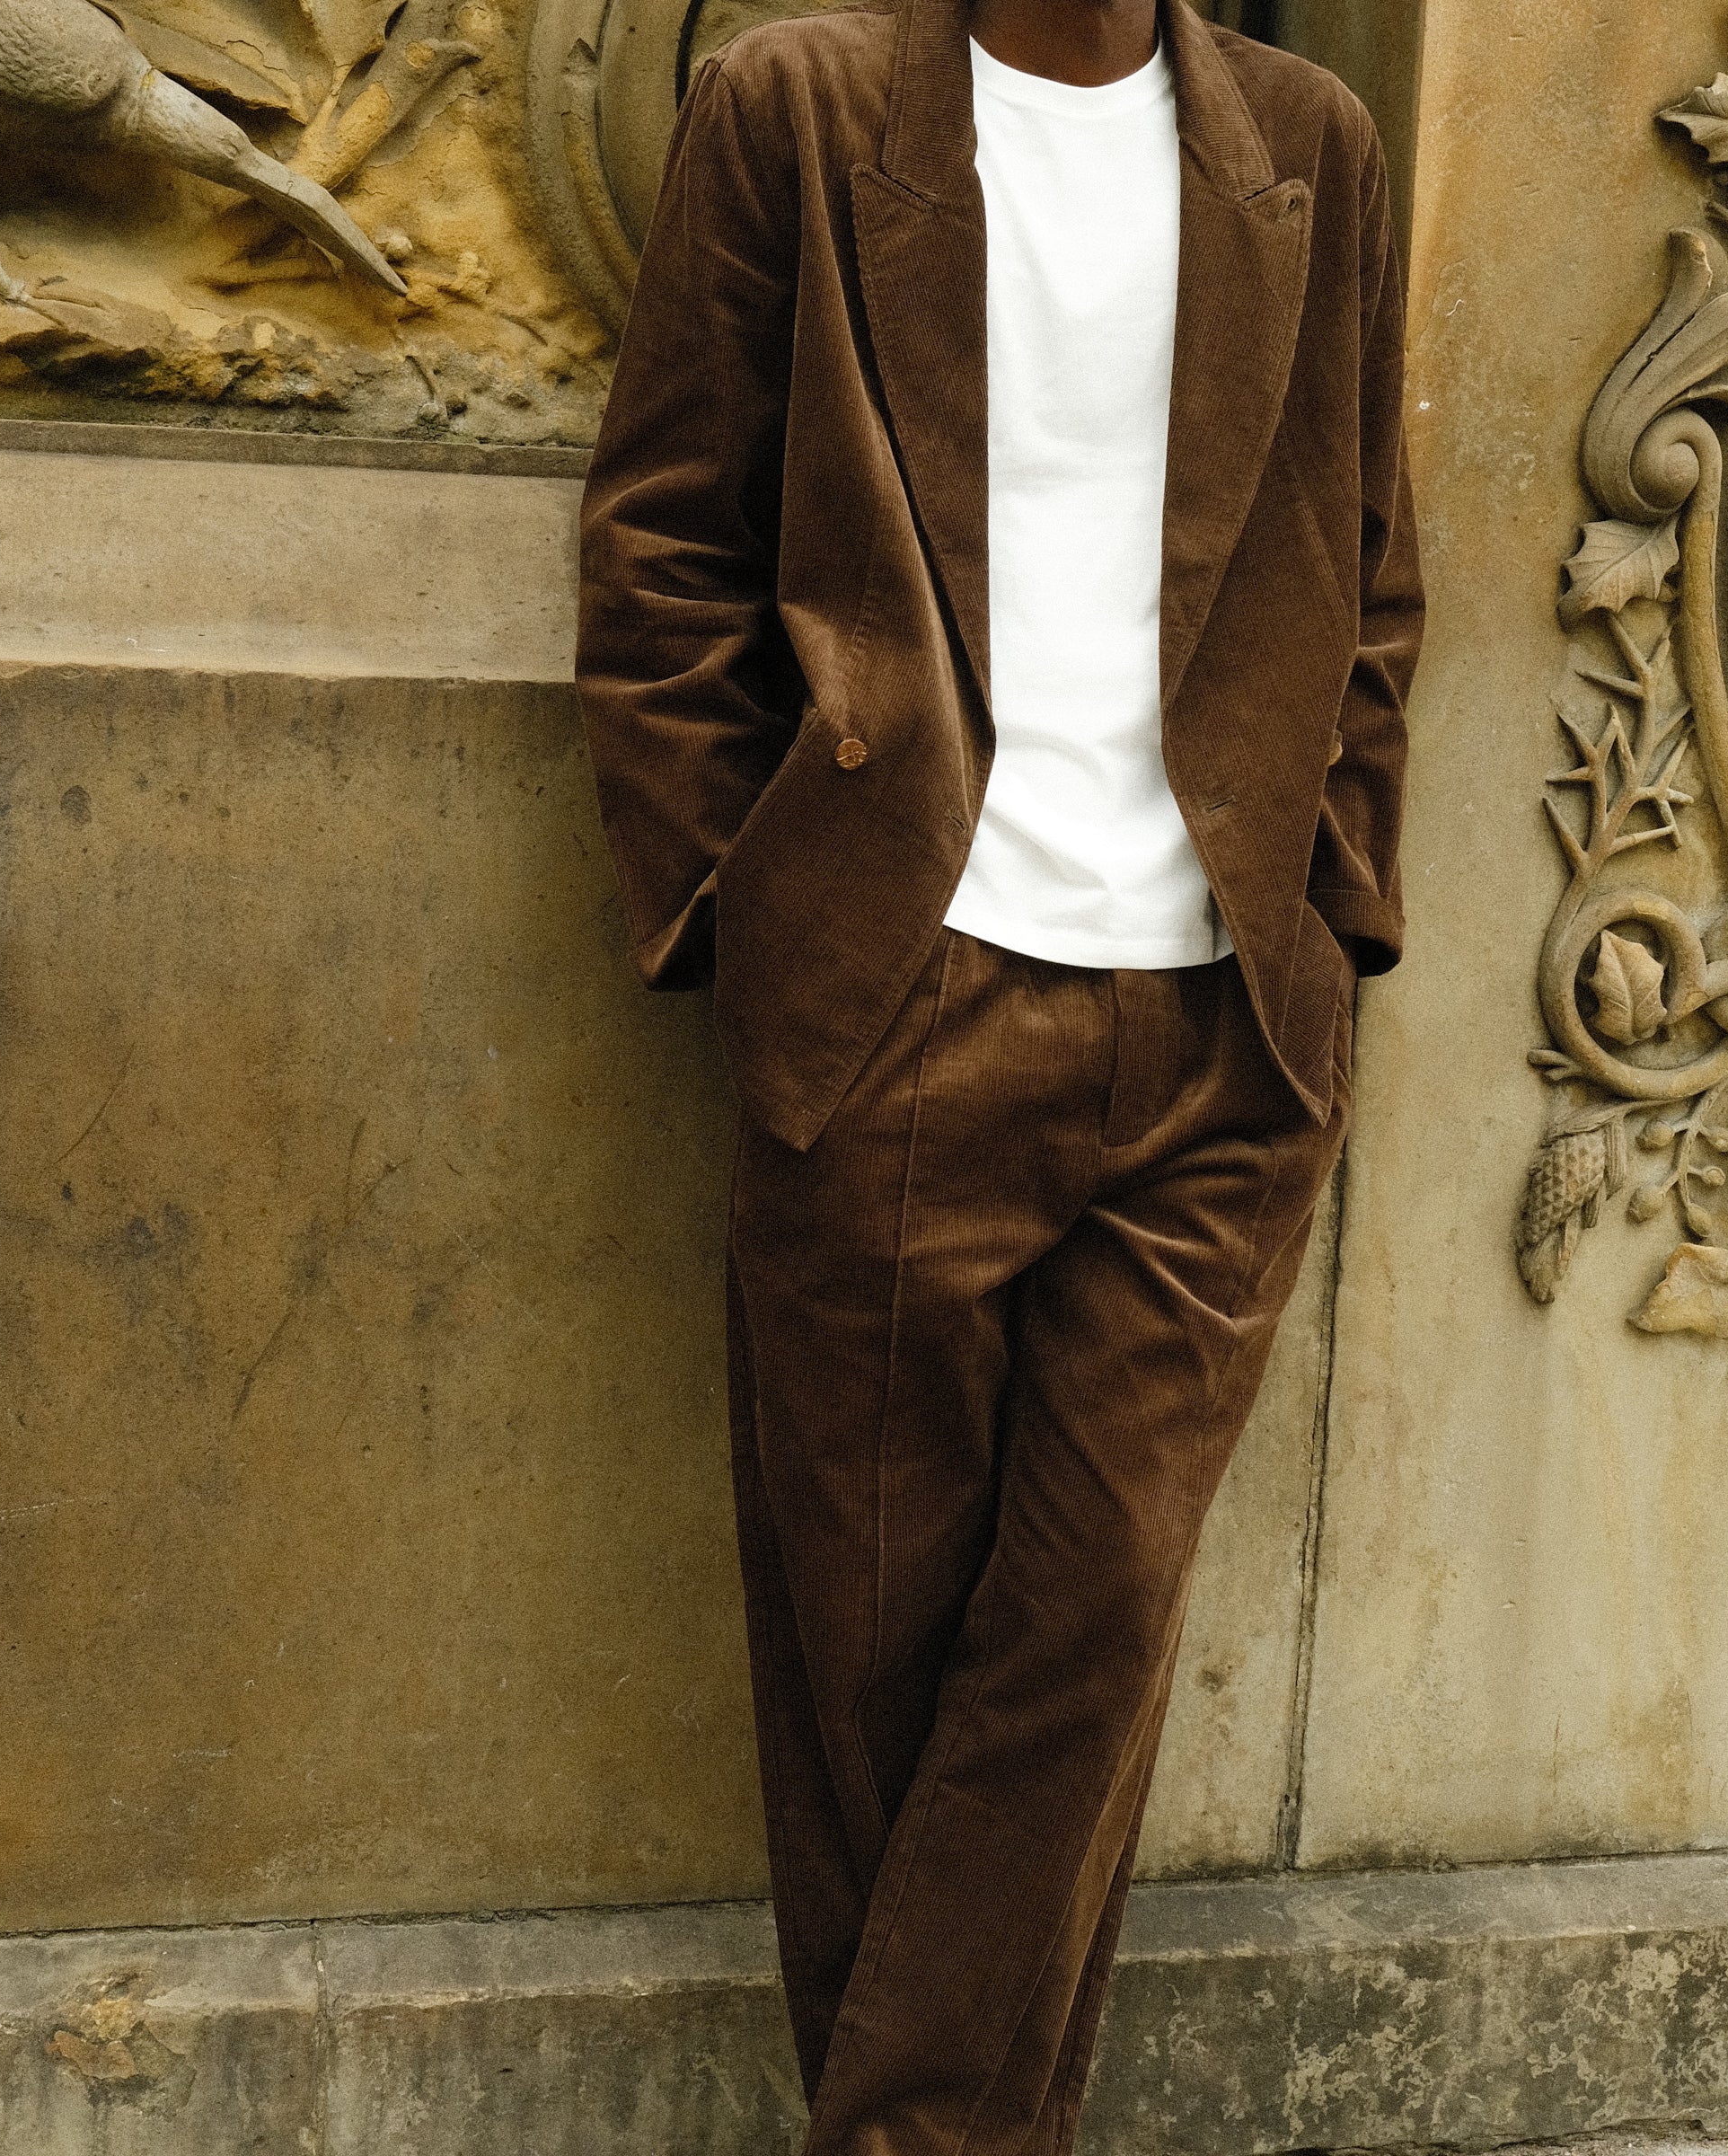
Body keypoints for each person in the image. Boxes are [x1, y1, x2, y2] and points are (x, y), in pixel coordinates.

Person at [575, 0, 1421, 2143]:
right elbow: (662, 541)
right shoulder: (798, 108)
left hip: (1225, 1022)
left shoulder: (1309, 140)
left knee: (1097, 1626)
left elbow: (1373, 566)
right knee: (867, 1672)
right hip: (900, 998)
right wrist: (745, 918)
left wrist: (1333, 912)